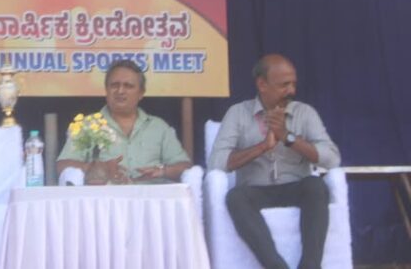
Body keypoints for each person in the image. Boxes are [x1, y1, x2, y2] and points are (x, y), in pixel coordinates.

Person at [208, 54, 341, 269]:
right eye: (284, 85)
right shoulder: (237, 113)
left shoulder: (305, 113)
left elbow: (332, 158)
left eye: (293, 84)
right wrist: (262, 147)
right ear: (262, 84)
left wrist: (288, 138)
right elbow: (217, 162)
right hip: (255, 190)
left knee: (316, 186)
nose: (291, 90)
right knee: (235, 197)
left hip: (296, 187)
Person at [56, 59, 191, 184]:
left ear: (141, 93)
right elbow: (62, 166)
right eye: (114, 85)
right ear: (106, 89)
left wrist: (163, 171)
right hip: (104, 199)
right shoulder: (88, 125)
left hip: (151, 198)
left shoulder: (158, 127)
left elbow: (185, 167)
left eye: (128, 86)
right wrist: (100, 168)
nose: (120, 91)